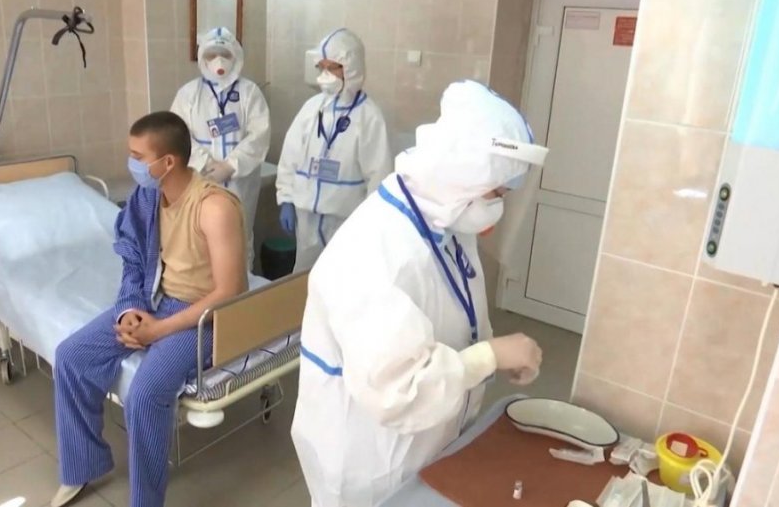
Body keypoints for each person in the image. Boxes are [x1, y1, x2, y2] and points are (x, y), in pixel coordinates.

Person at [290, 80, 550, 507]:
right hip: (370, 459)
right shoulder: (372, 252)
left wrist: (489, 353)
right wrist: (490, 356)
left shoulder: (447, 220)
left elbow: (456, 309)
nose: (498, 206)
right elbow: (400, 389)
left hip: (428, 437)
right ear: (463, 175)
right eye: (496, 193)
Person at [51, 112, 248, 507]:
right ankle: (83, 465)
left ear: (168, 162)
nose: (131, 163)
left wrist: (158, 330)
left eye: (137, 156)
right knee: (70, 356)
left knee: (143, 395)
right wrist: (129, 311)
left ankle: (146, 501)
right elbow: (134, 262)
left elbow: (231, 291)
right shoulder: (146, 198)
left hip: (203, 316)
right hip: (153, 298)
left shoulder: (213, 207)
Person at [275, 28, 392, 272]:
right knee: (303, 279)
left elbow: (378, 174)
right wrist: (286, 198)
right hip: (307, 216)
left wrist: (371, 221)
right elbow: (290, 156)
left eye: (333, 67)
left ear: (352, 68)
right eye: (322, 67)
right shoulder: (312, 108)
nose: (326, 74)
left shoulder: (368, 116)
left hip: (345, 219)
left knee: (342, 279)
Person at [171, 27, 270, 269]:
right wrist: (205, 164)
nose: (219, 61)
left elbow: (259, 134)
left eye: (225, 54)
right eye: (211, 55)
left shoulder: (249, 92)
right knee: (202, 236)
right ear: (202, 57)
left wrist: (231, 165)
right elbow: (179, 135)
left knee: (240, 237)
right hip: (201, 179)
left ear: (236, 56)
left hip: (240, 182)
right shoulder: (188, 94)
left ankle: (241, 286)